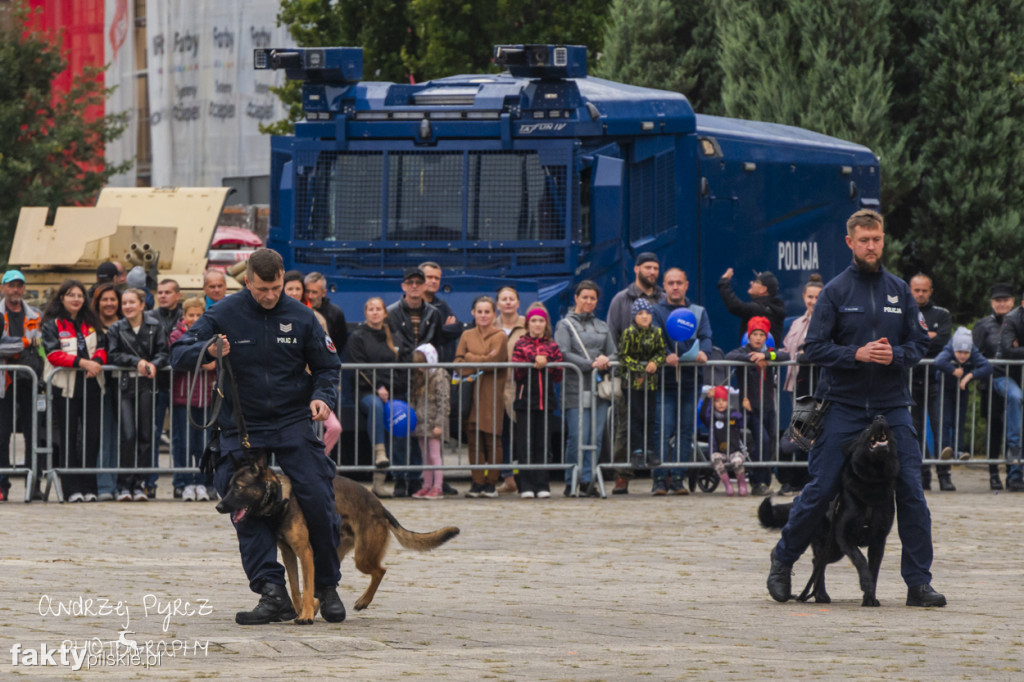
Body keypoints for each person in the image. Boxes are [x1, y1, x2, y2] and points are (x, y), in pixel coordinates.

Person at [767, 208, 946, 608]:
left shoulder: (899, 290)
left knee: (912, 491)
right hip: (843, 406)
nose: (871, 245)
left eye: (877, 239)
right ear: (850, 242)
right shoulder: (834, 291)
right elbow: (813, 348)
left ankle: (918, 583)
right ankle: (782, 560)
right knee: (822, 487)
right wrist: (857, 354)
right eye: (864, 239)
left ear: (884, 239)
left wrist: (895, 355)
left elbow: (919, 345)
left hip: (892, 405)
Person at [170, 248, 346, 625]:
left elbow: (329, 367)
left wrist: (322, 397)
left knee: (317, 496)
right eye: (263, 288)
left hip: (291, 421)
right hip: (241, 427)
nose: (270, 296)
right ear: (247, 281)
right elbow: (178, 352)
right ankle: (272, 591)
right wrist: (208, 348)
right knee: (243, 505)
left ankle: (326, 586)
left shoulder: (302, 316)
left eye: (277, 288)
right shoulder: (223, 314)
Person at [647, 267, 712, 496]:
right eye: (670, 283)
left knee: (686, 431)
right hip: (665, 382)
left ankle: (677, 478)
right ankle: (658, 479)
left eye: (679, 283)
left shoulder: (698, 311)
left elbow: (706, 337)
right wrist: (666, 354)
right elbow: (654, 337)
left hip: (690, 381)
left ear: (686, 285)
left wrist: (704, 352)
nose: (675, 286)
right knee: (662, 430)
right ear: (664, 286)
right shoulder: (656, 311)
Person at [605, 252, 665, 494]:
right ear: (636, 269)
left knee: (656, 423)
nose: (652, 272)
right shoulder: (622, 299)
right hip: (628, 376)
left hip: (659, 377)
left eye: (656, 268)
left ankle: (660, 477)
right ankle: (622, 475)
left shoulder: (663, 299)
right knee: (625, 425)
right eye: (648, 267)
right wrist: (627, 367)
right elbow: (612, 336)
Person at [41, 280, 106, 503]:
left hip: (91, 387)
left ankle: (89, 487)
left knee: (91, 437)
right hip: (65, 388)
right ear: (62, 298)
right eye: (71, 295)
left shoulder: (91, 322)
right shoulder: (52, 324)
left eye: (79, 295)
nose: (76, 299)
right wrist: (83, 363)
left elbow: (103, 347)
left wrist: (96, 361)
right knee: (68, 438)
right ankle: (71, 489)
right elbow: (53, 354)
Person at [555, 281, 617, 497]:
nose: (589, 301)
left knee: (596, 436)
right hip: (575, 388)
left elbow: (614, 353)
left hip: (598, 389)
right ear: (576, 298)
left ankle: (588, 480)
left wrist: (605, 359)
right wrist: (589, 363)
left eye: (593, 298)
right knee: (577, 436)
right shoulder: (565, 325)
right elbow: (562, 352)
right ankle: (572, 478)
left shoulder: (602, 326)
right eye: (585, 297)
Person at [107, 288, 169, 501]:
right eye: (124, 303)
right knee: (128, 435)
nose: (127, 307)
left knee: (145, 435)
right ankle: (124, 484)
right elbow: (112, 354)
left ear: (142, 305)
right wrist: (137, 362)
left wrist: (154, 364)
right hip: (124, 387)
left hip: (148, 386)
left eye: (132, 302)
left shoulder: (154, 326)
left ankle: (139, 483)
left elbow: (164, 352)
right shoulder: (116, 328)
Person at [386, 267, 442, 495]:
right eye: (410, 282)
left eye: (419, 282)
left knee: (421, 430)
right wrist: (414, 358)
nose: (415, 286)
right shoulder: (391, 313)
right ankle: (400, 476)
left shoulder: (433, 313)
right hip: (401, 377)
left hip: (425, 380)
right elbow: (395, 344)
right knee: (401, 429)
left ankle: (416, 477)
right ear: (403, 286)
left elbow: (436, 341)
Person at [726, 316, 789, 496]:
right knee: (762, 441)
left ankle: (765, 481)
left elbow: (785, 355)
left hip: (769, 406)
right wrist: (751, 357)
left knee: (770, 444)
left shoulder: (770, 351)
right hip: (751, 408)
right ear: (749, 335)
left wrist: (767, 356)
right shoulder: (743, 351)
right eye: (754, 334)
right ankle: (757, 481)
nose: (758, 338)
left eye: (762, 334)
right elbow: (730, 356)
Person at [283, 271, 342, 456]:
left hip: (310, 386)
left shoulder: (315, 318)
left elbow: (327, 355)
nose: (293, 292)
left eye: (297, 288)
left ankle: (318, 460)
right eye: (289, 288)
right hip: (286, 388)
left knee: (332, 427)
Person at [346, 297, 400, 498]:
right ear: (365, 313)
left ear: (385, 313)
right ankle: (379, 454)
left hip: (394, 391)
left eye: (379, 309)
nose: (375, 312)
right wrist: (379, 386)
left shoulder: (393, 336)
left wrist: (391, 387)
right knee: (376, 407)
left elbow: (401, 365)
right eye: (371, 309)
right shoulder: (358, 337)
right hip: (367, 392)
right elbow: (361, 367)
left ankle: (383, 483)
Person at [455, 296, 507, 498]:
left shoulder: (500, 336)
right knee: (474, 440)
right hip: (471, 394)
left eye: (487, 312)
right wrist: (478, 360)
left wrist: (471, 358)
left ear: (494, 314)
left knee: (493, 439)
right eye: (479, 311)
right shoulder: (466, 335)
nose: (483, 315)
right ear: (473, 313)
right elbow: (458, 362)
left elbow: (495, 361)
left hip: (492, 393)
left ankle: (491, 483)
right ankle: (477, 482)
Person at [778, 274, 824, 495]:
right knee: (799, 433)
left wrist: (809, 354)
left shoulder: (827, 321)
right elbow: (789, 351)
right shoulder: (796, 323)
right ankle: (793, 479)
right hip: (798, 383)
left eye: (817, 297)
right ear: (804, 297)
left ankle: (804, 479)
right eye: (809, 296)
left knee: (808, 434)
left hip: (819, 384)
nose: (813, 301)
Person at [511, 305, 563, 499]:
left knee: (543, 445)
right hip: (525, 401)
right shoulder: (521, 343)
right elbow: (517, 370)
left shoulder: (552, 345)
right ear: (528, 324)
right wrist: (533, 359)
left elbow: (558, 373)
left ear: (546, 324)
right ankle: (525, 485)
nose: (537, 324)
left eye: (541, 320)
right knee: (525, 445)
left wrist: (547, 361)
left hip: (546, 401)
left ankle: (542, 483)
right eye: (534, 320)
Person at [973, 283, 1021, 490]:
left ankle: (1014, 474)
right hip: (992, 383)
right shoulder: (983, 325)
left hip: (1016, 380)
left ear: (1013, 302)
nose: (1002, 304)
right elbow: (975, 354)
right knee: (994, 430)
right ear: (992, 303)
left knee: (1017, 428)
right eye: (998, 300)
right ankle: (994, 473)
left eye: (1006, 300)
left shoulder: (1019, 322)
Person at [0, 270, 43, 502]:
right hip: (4, 380)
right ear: (3, 288)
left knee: (33, 433)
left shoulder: (36, 314)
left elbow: (41, 346)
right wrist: (24, 343)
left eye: (20, 286)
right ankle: (2, 484)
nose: (16, 290)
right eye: (11, 286)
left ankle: (33, 483)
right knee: (2, 433)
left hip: (30, 379)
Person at [169, 297, 215, 501]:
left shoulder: (211, 335)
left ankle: (203, 482)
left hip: (207, 398)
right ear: (184, 316)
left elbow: (214, 363)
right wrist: (204, 358)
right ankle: (185, 482)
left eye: (199, 315)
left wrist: (200, 358)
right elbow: (180, 358)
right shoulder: (177, 335)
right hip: (184, 398)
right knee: (184, 444)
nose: (195, 319)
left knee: (203, 444)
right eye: (191, 315)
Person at [909, 274, 952, 491]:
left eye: (924, 290)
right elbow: (905, 343)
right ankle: (923, 475)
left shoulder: (941, 314)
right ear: (910, 290)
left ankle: (944, 476)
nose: (920, 294)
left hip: (935, 380)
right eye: (916, 290)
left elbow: (943, 342)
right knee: (914, 430)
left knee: (939, 428)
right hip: (911, 381)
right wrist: (927, 337)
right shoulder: (906, 313)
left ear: (931, 291)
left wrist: (920, 340)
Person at [618, 298, 666, 492]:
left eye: (647, 313)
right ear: (634, 317)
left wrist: (655, 362)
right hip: (631, 382)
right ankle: (637, 450)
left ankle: (650, 449)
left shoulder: (657, 332)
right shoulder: (629, 333)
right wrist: (640, 369)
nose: (644, 316)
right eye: (640, 314)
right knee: (636, 416)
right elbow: (623, 356)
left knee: (650, 416)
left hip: (652, 383)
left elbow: (661, 352)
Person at [934, 327, 992, 468]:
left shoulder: (973, 352)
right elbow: (938, 361)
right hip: (945, 389)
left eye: (966, 353)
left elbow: (988, 367)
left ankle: (959, 450)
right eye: (959, 352)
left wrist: (969, 375)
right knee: (945, 420)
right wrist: (953, 370)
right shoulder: (949, 349)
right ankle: (945, 448)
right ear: (954, 349)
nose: (962, 356)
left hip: (962, 389)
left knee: (959, 421)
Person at [91, 282, 123, 501]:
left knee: (121, 436)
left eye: (113, 299)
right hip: (97, 387)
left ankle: (119, 483)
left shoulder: (125, 324)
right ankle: (104, 484)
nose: (109, 303)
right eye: (105, 299)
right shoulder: (91, 325)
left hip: (124, 387)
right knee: (102, 436)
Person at [409, 344, 450, 500]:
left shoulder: (440, 375)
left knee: (434, 455)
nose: (420, 368)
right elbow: (414, 399)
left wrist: (439, 424)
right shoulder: (420, 377)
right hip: (420, 423)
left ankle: (437, 486)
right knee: (425, 456)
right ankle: (427, 485)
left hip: (434, 424)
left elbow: (444, 401)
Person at [497, 285, 526, 494]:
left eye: (511, 298)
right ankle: (507, 477)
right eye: (503, 299)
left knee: (523, 433)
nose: (507, 302)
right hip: (497, 387)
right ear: (498, 303)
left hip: (521, 386)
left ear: (517, 302)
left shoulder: (527, 324)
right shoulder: (490, 324)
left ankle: (525, 477)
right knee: (501, 434)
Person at [997, 285, 1024, 491]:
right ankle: (1014, 454)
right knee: (1015, 397)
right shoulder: (1012, 319)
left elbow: (1016, 350)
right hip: (1003, 374)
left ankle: (1016, 475)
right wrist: (1014, 349)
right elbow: (1007, 350)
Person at [700, 385, 749, 496]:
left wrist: (747, 410)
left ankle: (742, 483)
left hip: (734, 450)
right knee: (715, 459)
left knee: (737, 461)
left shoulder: (734, 414)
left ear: (728, 401)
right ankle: (727, 484)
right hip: (719, 451)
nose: (721, 403)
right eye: (717, 401)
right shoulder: (711, 417)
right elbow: (703, 415)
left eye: (723, 400)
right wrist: (708, 398)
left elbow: (744, 422)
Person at [718, 267, 785, 344]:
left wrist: (724, 282)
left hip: (762, 355)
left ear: (763, 289)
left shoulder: (759, 309)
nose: (751, 283)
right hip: (770, 355)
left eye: (756, 282)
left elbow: (735, 306)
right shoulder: (773, 307)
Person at [419, 261, 463, 363]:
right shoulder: (414, 305)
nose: (434, 281)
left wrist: (434, 331)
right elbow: (421, 333)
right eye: (429, 277)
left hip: (442, 370)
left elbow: (457, 328)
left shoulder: (442, 305)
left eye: (437, 278)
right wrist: (444, 330)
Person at [304, 271, 349, 356]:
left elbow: (340, 342)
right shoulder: (298, 309)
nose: (310, 296)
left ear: (324, 293)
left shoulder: (336, 313)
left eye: (314, 292)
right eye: (307, 291)